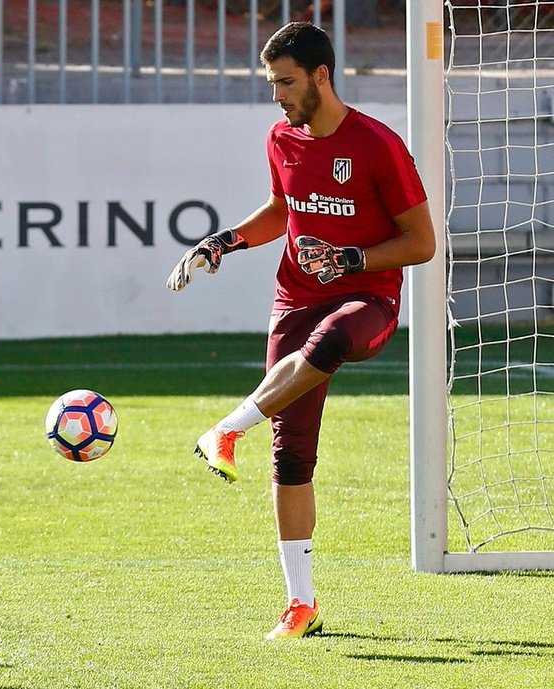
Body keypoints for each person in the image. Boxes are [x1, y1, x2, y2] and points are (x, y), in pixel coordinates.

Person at [166, 21, 435, 640]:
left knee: (333, 341)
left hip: (365, 300)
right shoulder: (281, 136)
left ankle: (226, 430)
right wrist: (223, 242)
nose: (278, 95)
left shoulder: (378, 145)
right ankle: (301, 605)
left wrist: (352, 261)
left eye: (285, 82)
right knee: (291, 457)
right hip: (295, 299)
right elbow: (281, 211)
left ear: (321, 75)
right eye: (271, 84)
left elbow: (420, 243)